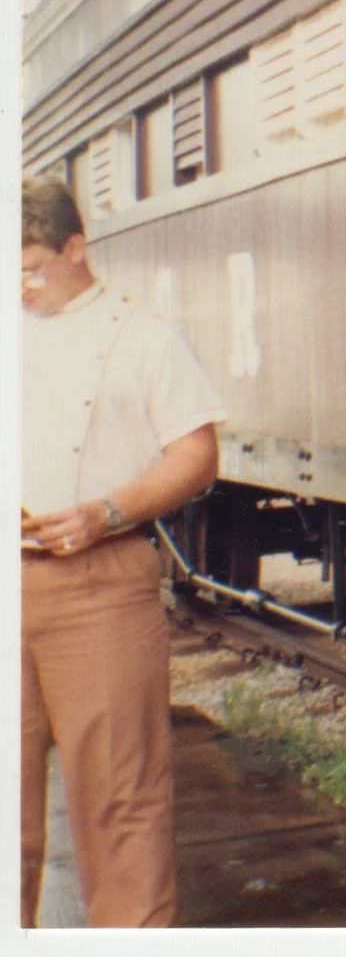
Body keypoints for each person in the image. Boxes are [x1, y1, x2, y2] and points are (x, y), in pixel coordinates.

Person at [19, 175, 224, 929]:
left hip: (99, 589)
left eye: (33, 264)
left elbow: (196, 455)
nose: (21, 283)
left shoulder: (143, 336)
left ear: (77, 248)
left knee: (120, 807)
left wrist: (106, 513)